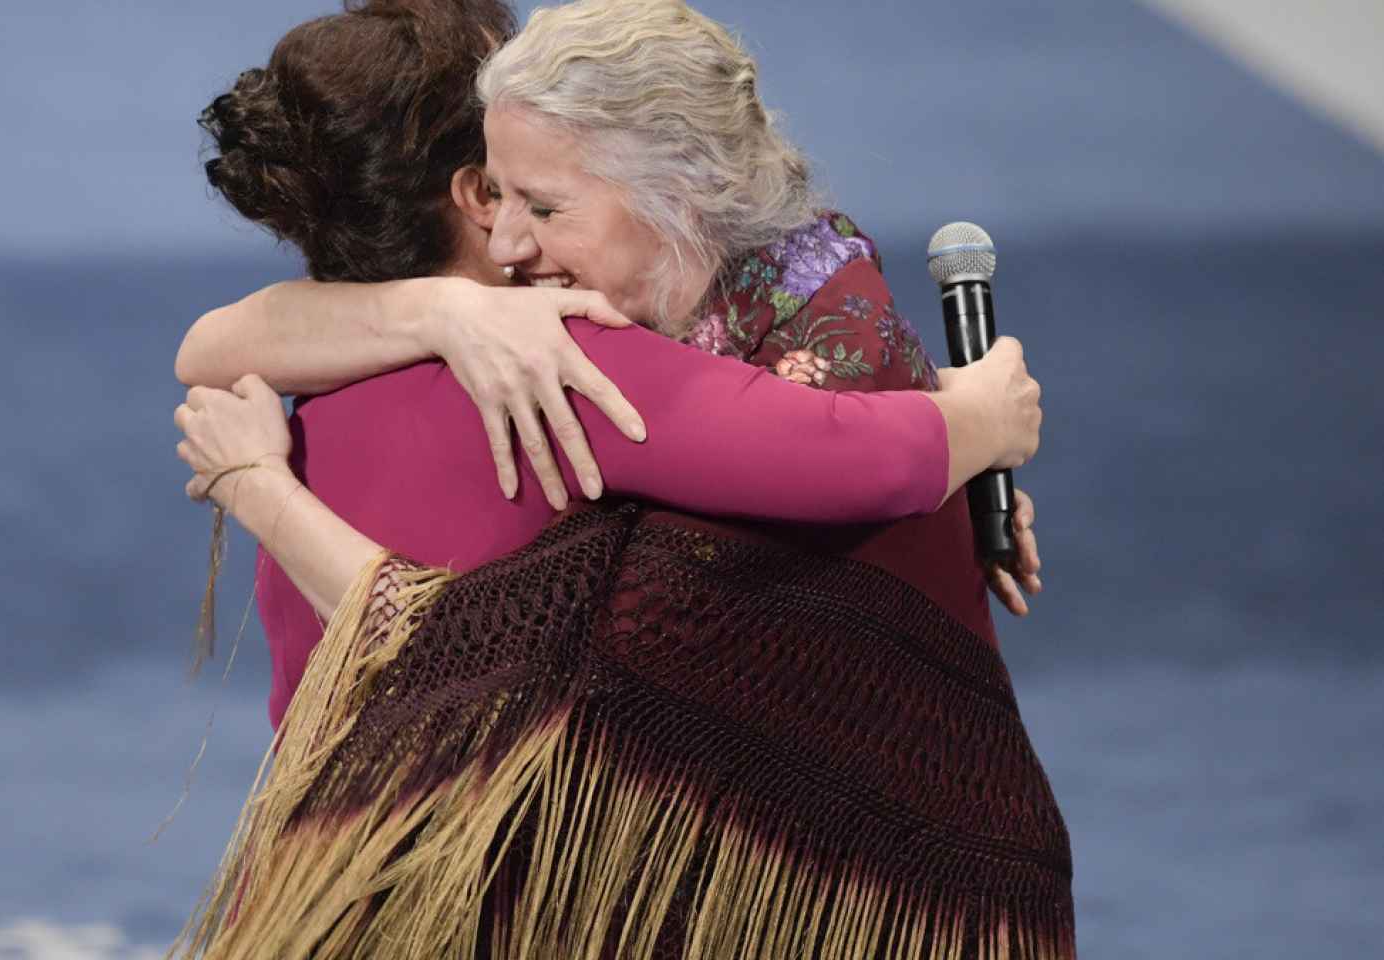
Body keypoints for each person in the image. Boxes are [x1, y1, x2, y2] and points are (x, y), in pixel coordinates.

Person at [172, 1, 1071, 957]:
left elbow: (204, 347)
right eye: (511, 196)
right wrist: (981, 416)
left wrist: (261, 477)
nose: (521, 241)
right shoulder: (574, 365)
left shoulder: (300, 384)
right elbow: (870, 459)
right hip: (490, 899)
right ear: (472, 190)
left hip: (313, 894)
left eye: (546, 204)